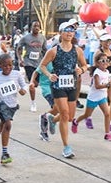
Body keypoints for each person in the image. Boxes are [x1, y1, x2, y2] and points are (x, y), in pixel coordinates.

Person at [38, 20, 88, 159]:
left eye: (72, 31)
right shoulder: (53, 51)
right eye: (67, 30)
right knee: (65, 113)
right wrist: (49, 75)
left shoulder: (77, 50)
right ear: (60, 33)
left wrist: (80, 69)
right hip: (58, 85)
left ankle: (52, 120)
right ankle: (66, 147)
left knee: (70, 116)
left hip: (71, 85)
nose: (69, 33)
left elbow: (85, 66)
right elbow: (42, 66)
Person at [0, 53, 28, 165]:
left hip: (12, 104)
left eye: (10, 65)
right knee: (7, 124)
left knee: (3, 123)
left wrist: (23, 90)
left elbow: (24, 85)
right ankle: (5, 153)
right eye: (4, 66)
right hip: (0, 103)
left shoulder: (17, 74)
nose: (7, 68)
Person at [73, 53, 111, 141]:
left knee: (107, 114)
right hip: (93, 97)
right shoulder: (97, 73)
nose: (105, 62)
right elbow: (97, 86)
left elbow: (107, 83)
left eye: (107, 60)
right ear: (97, 63)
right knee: (87, 114)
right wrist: (108, 84)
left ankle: (107, 134)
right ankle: (76, 121)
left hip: (102, 97)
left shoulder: (107, 72)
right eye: (103, 61)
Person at [16, 21, 46, 113]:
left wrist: (47, 61)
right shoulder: (26, 38)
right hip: (28, 63)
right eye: (34, 26)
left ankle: (21, 85)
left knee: (36, 84)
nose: (36, 27)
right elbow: (18, 49)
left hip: (39, 63)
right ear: (31, 27)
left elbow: (45, 50)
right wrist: (20, 59)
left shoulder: (42, 38)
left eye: (38, 26)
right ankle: (33, 103)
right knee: (32, 84)